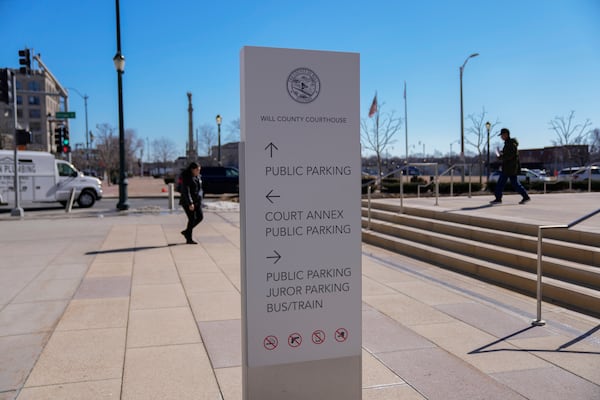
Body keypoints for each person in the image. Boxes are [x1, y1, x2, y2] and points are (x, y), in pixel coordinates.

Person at [490, 128, 530, 205]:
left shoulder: (511, 144)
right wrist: (501, 153)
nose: (501, 137)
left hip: (509, 168)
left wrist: (500, 156)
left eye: (502, 135)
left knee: (501, 183)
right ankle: (525, 197)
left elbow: (510, 156)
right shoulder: (508, 143)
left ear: (506, 134)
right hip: (510, 168)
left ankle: (498, 198)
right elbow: (508, 154)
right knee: (515, 184)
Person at [179, 162, 203, 244]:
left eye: (199, 170)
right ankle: (189, 238)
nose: (198, 171)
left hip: (197, 201)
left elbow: (200, 189)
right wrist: (190, 203)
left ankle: (187, 232)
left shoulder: (198, 176)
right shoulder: (187, 177)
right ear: (192, 170)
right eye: (197, 170)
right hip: (187, 202)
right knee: (192, 218)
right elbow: (186, 191)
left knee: (200, 217)